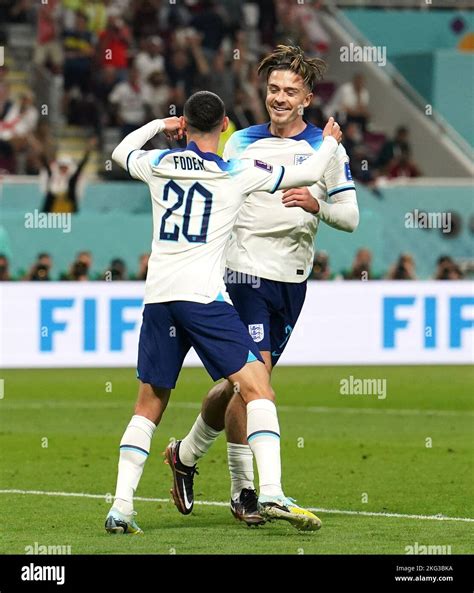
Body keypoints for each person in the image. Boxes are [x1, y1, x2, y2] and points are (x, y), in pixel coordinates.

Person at [106, 90, 343, 534]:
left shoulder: (161, 164)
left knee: (148, 405)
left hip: (159, 298)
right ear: (226, 125)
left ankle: (121, 507)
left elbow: (121, 152)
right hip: (203, 299)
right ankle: (270, 490)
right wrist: (328, 140)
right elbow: (309, 171)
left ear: (184, 126)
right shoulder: (238, 170)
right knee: (258, 389)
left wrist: (160, 126)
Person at [172, 45, 359, 526]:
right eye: (273, 89)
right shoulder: (240, 143)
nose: (278, 98)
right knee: (257, 384)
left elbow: (351, 218)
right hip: (243, 275)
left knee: (238, 384)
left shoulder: (326, 148)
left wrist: (317, 207)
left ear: (307, 99)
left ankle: (186, 454)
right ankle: (246, 490)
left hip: (291, 282)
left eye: (289, 92)